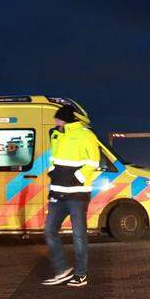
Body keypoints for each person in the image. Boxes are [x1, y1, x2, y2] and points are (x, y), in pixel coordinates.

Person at [42, 104, 101, 287]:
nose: (55, 121)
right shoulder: (56, 135)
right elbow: (53, 158)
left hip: (77, 195)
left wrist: (77, 177)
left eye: (58, 118)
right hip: (57, 193)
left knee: (78, 235)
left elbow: (93, 161)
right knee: (49, 231)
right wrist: (52, 172)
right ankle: (62, 270)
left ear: (66, 119)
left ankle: (81, 274)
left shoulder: (85, 135)